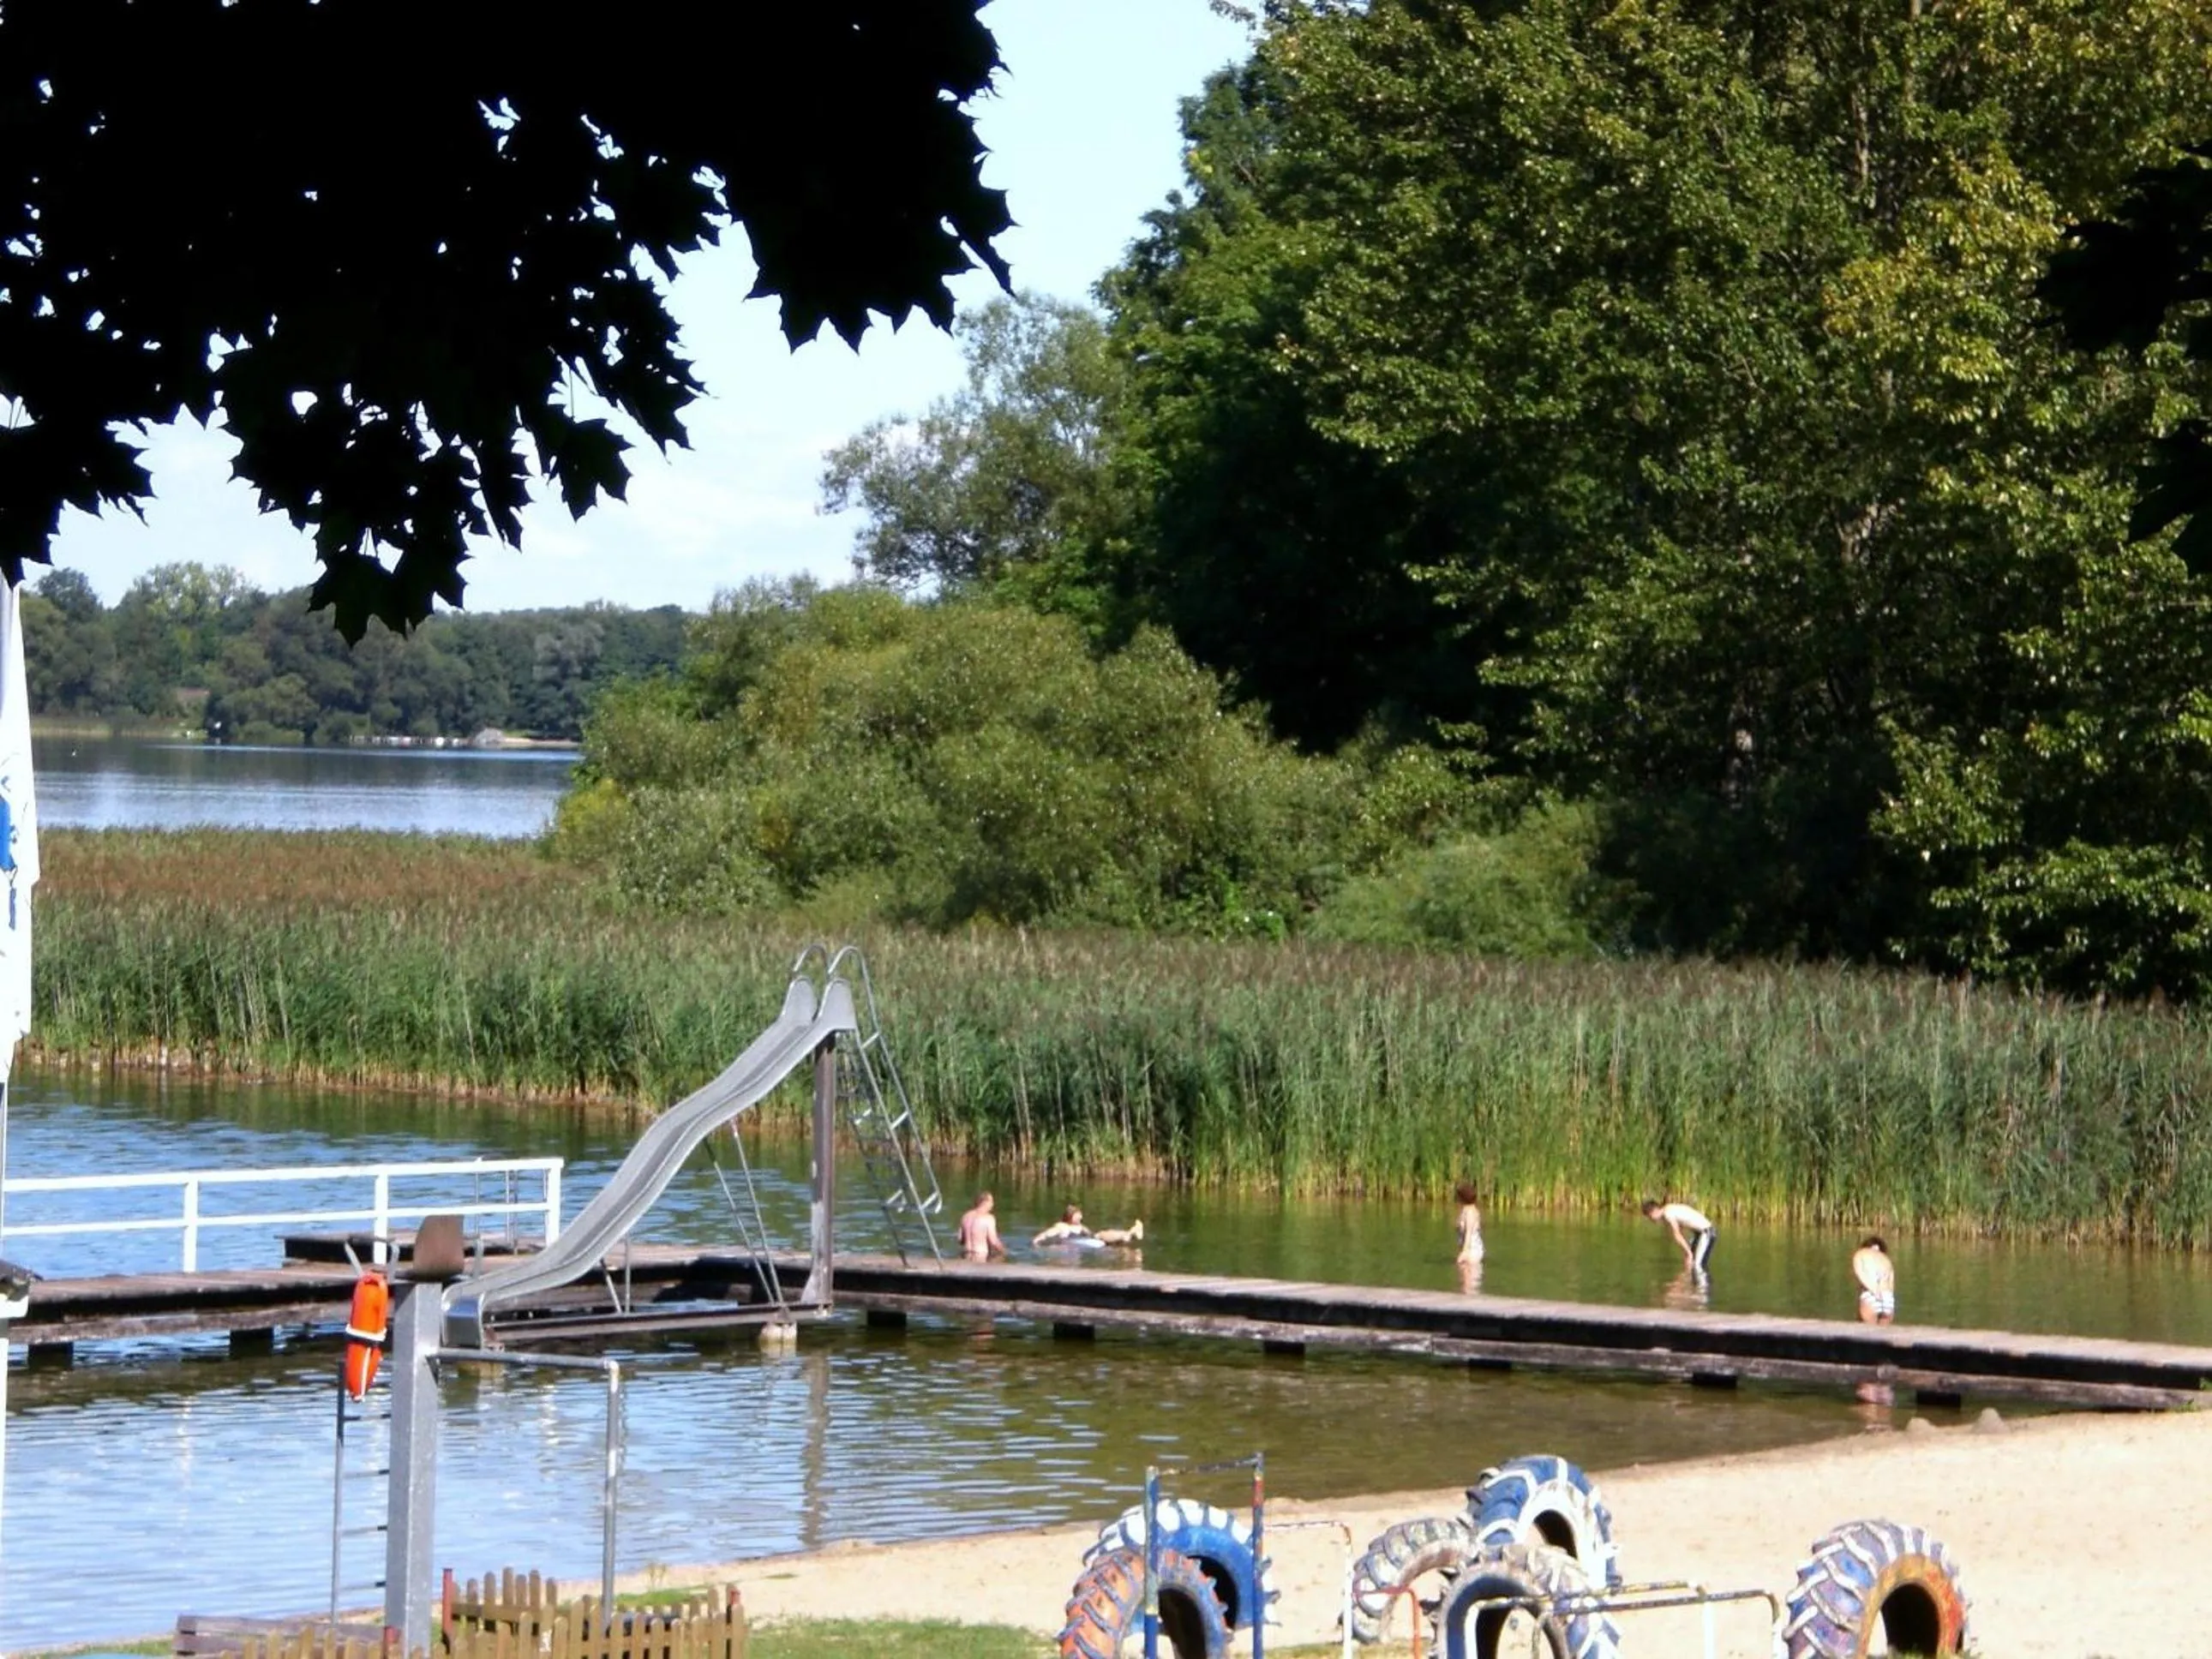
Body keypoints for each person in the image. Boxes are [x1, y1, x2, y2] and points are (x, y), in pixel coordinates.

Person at [1641, 1197, 1716, 1273]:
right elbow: (1681, 1229)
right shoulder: (1669, 1209)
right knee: (1689, 1263)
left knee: (1698, 1265)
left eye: (1650, 1217)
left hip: (1706, 1233)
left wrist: (1689, 1253)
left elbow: (1677, 1234)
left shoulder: (1668, 1214)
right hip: (1698, 1234)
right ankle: (1688, 1283)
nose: (1651, 1220)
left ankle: (1703, 1284)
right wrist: (1688, 1252)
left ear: (1654, 1211)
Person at [1032, 1204, 1144, 1248]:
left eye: (1080, 1214)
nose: (1080, 1217)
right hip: (1076, 1243)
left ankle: (1130, 1234)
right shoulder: (1062, 1226)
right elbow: (1047, 1234)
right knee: (1101, 1236)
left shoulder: (1081, 1227)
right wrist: (1037, 1240)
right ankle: (1129, 1234)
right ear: (1070, 1216)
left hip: (1089, 1241)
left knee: (1103, 1235)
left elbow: (1092, 1235)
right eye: (1077, 1215)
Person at [1853, 1236, 1896, 1323]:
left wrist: (1875, 1291)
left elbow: (1861, 1275)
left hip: (1871, 1294)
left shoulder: (1861, 1253)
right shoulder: (1886, 1260)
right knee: (1883, 1334)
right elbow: (1891, 1285)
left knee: (1866, 1333)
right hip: (1888, 1298)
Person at [956, 1191, 1007, 1261]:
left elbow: (960, 1239)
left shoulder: (966, 1216)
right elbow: (994, 1242)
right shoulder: (988, 1218)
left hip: (965, 1255)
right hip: (981, 1257)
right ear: (984, 1202)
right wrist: (1005, 1251)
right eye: (991, 1201)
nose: (993, 1204)